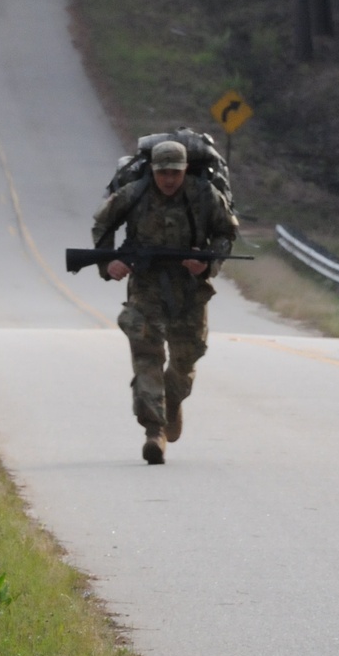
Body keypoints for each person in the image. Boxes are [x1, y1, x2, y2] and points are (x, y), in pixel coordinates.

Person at [91, 137, 238, 463]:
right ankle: (154, 431)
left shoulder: (204, 196)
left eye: (175, 172)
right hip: (146, 284)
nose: (169, 179)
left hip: (190, 287)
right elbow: (102, 222)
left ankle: (171, 401)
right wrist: (108, 261)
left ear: (186, 170)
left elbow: (226, 233)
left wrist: (208, 263)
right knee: (147, 350)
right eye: (162, 172)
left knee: (187, 357)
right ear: (153, 171)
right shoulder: (134, 194)